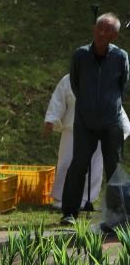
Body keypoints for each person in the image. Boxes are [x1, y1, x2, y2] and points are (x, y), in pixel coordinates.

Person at [60, 13, 129, 224]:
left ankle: (118, 215)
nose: (102, 32)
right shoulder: (80, 55)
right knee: (78, 164)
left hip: (111, 122)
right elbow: (75, 83)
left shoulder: (120, 57)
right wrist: (89, 105)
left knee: (114, 167)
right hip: (85, 121)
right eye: (99, 27)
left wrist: (108, 105)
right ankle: (69, 213)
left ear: (115, 35)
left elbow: (123, 86)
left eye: (107, 30)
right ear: (94, 29)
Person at [42, 74, 130, 208]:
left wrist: (121, 129)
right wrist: (51, 119)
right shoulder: (69, 79)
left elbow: (115, 104)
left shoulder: (105, 79)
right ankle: (61, 198)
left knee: (94, 167)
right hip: (72, 130)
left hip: (100, 131)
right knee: (67, 163)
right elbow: (58, 100)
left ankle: (85, 199)